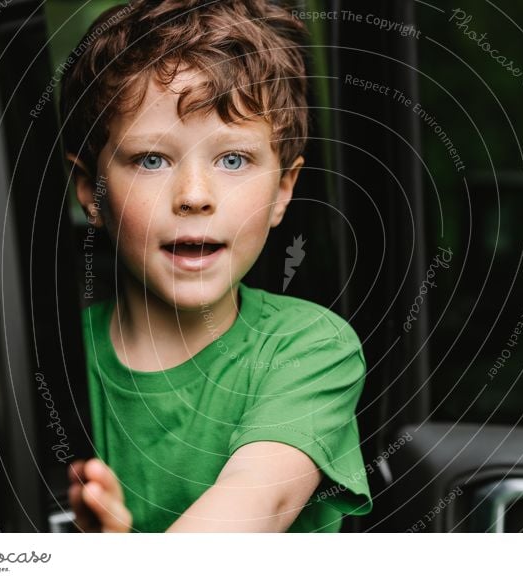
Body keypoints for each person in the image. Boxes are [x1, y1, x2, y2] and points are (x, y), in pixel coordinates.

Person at [59, 0, 371, 532]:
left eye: (233, 160)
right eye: (151, 160)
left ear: (283, 190)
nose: (195, 196)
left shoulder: (311, 350)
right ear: (92, 191)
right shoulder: (50, 357)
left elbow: (255, 508)